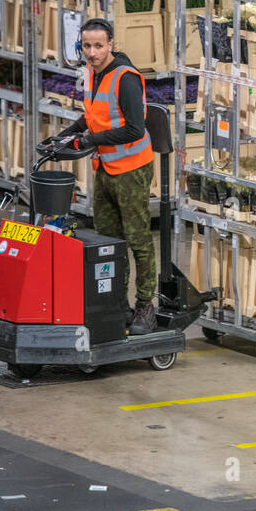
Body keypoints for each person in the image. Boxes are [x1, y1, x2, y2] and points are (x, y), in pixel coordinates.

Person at [56, 18, 158, 335]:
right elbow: (93, 114)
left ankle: (145, 307)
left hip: (131, 169)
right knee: (108, 241)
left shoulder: (125, 78)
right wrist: (68, 134)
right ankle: (116, 302)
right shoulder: (92, 73)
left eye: (98, 46)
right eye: (86, 46)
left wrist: (90, 141)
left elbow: (134, 129)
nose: (92, 52)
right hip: (105, 167)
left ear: (110, 44)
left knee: (138, 240)